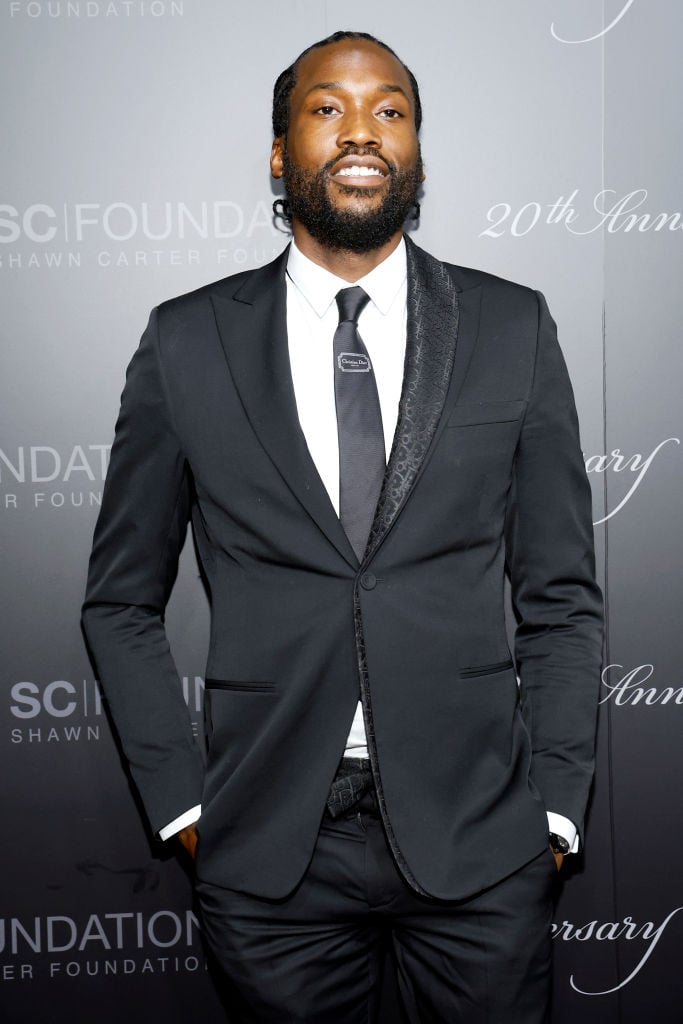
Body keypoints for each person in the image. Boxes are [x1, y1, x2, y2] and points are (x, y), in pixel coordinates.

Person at [82, 30, 604, 1024]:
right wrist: (188, 810)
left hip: (482, 843)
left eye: (390, 111)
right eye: (326, 109)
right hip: (270, 852)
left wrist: (552, 808)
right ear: (279, 152)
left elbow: (560, 596)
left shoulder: (513, 327)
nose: (360, 130)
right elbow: (118, 601)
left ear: (415, 150)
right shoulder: (186, 341)